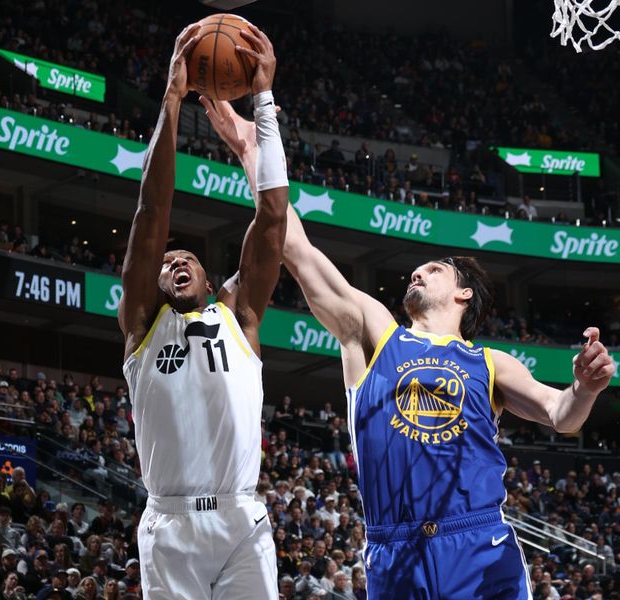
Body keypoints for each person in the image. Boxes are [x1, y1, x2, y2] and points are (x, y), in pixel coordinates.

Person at [205, 99, 617, 599]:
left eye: (435, 269)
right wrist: (253, 148)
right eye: (417, 269)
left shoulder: (490, 363)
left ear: (464, 294)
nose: (417, 272)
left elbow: (562, 415)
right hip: (395, 551)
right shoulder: (376, 333)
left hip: (480, 550)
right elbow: (294, 246)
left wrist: (585, 386)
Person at [118, 22, 288, 600]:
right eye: (169, 263)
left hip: (241, 520)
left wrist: (262, 100)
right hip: (169, 526)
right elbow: (150, 212)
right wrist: (171, 97)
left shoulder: (238, 316)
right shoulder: (143, 323)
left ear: (213, 280)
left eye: (188, 258)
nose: (177, 262)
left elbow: (271, 220)